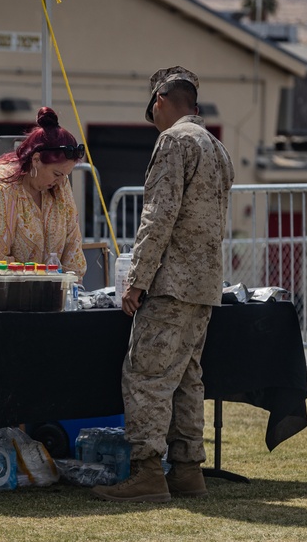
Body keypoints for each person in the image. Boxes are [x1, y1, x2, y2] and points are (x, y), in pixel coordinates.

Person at [92, 66, 234, 503]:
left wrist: (136, 280)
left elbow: (158, 216)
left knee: (146, 376)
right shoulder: (217, 147)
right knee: (188, 378)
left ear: (160, 101)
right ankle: (188, 471)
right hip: (204, 284)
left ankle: (148, 472)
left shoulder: (173, 141)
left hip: (171, 283)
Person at [0, 107, 87, 278]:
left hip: (40, 293)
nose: (60, 181)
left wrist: (73, 283)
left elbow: (73, 245)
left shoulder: (60, 185)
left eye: (65, 176)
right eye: (57, 174)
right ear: (36, 160)